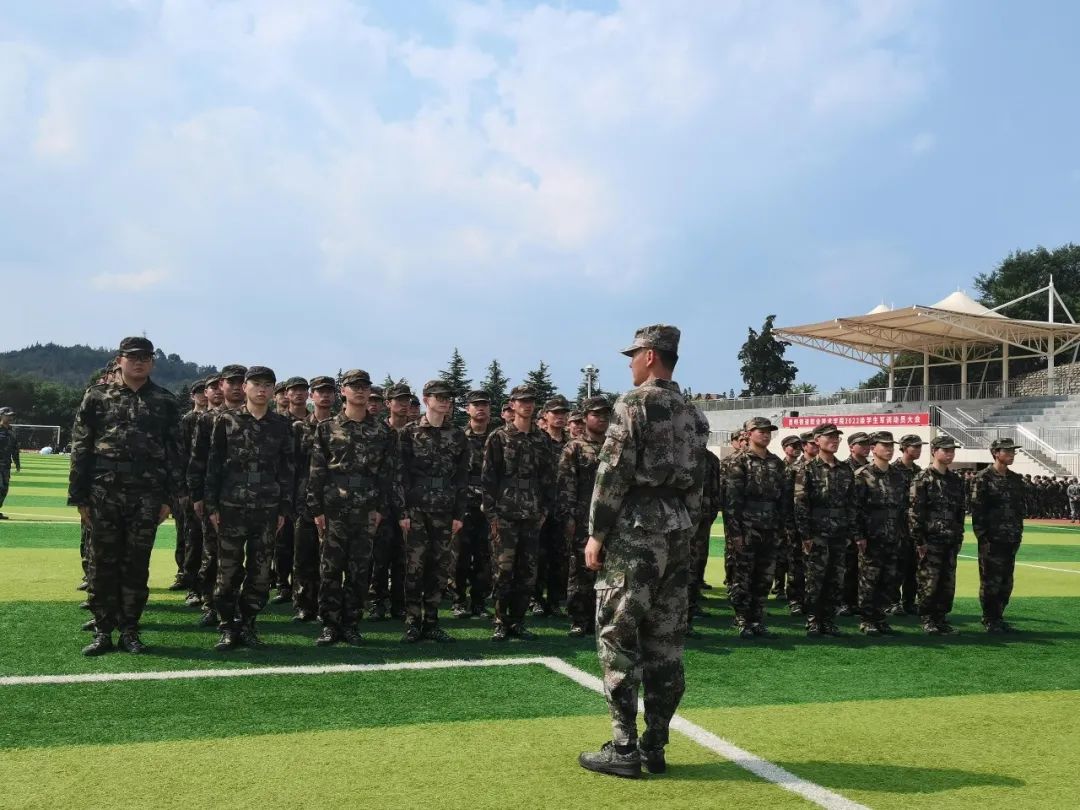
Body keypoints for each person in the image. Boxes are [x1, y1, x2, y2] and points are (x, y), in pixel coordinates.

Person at [579, 324, 709, 779]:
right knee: (666, 643)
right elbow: (698, 484)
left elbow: (613, 472)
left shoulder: (633, 404)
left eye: (634, 355)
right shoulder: (694, 414)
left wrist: (597, 533)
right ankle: (655, 745)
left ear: (650, 355)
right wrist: (686, 531)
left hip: (636, 531)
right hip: (677, 531)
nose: (631, 363)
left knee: (617, 635)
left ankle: (623, 748)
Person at [68, 337, 182, 656]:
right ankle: (103, 630)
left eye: (145, 357)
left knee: (136, 564)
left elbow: (175, 453)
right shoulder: (97, 395)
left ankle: (130, 629)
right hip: (104, 491)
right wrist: (79, 497)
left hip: (147, 494)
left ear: (153, 362)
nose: (139, 362)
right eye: (133, 357)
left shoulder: (165, 401)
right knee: (102, 563)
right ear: (120, 360)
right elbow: (81, 446)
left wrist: (169, 499)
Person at [204, 366, 295, 651]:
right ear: (245, 387)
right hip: (231, 506)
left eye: (268, 385)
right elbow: (213, 465)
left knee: (260, 573)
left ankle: (248, 624)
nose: (262, 389)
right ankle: (227, 625)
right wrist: (211, 505)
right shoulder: (226, 420)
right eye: (256, 384)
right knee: (227, 572)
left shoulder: (281, 425)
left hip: (267, 508)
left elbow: (287, 470)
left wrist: (284, 510)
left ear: (273, 390)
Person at [309, 369, 402, 646]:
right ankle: (329, 624)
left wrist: (380, 509)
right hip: (334, 508)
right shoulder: (326, 428)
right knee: (330, 569)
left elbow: (387, 475)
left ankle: (351, 623)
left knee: (360, 570)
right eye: (354, 386)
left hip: (367, 509)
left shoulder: (383, 431)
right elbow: (317, 471)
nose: (360, 390)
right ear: (343, 391)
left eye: (364, 386)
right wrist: (316, 510)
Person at [481, 384, 555, 641]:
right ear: (512, 404)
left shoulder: (542, 439)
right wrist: (492, 515)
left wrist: (544, 510)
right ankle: (500, 621)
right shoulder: (499, 437)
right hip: (505, 514)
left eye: (531, 401)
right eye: (522, 401)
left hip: (532, 515)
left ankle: (518, 621)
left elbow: (548, 478)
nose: (527, 405)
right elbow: (488, 478)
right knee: (503, 571)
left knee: (527, 572)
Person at [397, 380, 468, 642]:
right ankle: (412, 623)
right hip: (416, 509)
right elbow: (400, 474)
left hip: (445, 510)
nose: (445, 402)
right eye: (439, 397)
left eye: (448, 398)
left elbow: (462, 477)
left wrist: (459, 515)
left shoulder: (457, 435)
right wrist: (403, 511)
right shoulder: (409, 432)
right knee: (414, 567)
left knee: (439, 568)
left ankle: (432, 622)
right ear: (426, 399)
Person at [189, 365, 247, 628]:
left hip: (249, 499)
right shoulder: (208, 419)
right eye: (231, 382)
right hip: (216, 498)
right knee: (213, 554)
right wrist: (197, 496)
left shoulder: (256, 417)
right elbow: (197, 461)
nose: (236, 387)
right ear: (222, 385)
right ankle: (210, 603)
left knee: (243, 557)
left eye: (240, 382)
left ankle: (238, 606)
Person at [725, 416, 786, 639]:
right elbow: (732, 500)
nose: (766, 434)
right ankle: (742, 619)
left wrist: (781, 528)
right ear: (749, 434)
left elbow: (783, 499)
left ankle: (757, 619)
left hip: (770, 526)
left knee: (764, 576)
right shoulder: (739, 461)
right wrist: (735, 533)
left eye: (768, 431)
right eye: (761, 431)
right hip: (747, 526)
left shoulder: (776, 462)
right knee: (743, 576)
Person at [794, 423, 855, 638]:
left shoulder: (845, 469)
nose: (834, 441)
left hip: (839, 533)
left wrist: (850, 533)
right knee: (815, 579)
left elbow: (851, 504)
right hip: (817, 533)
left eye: (837, 437)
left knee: (835, 579)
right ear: (817, 440)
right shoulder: (807, 469)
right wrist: (805, 535)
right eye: (829, 437)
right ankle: (813, 620)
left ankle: (828, 620)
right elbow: (801, 504)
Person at [557, 395, 610, 637]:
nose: (601, 419)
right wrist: (568, 517)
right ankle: (579, 619)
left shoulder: (615, 446)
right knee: (581, 571)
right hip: (582, 519)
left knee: (608, 570)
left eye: (605, 414)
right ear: (585, 417)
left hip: (611, 519)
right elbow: (565, 485)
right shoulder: (574, 447)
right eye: (596, 414)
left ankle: (604, 618)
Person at [291, 375, 337, 622]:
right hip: (304, 499)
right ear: (312, 396)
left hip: (333, 500)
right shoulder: (299, 428)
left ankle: (325, 604)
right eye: (320, 391)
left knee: (329, 558)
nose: (325, 396)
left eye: (329, 391)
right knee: (304, 555)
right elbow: (291, 465)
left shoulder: (339, 427)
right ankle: (303, 604)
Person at [909, 435, 966, 635]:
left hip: (950, 539)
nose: (950, 454)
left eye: (952, 450)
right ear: (934, 451)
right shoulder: (923, 478)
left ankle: (941, 618)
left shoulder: (955, 480)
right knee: (929, 581)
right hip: (930, 540)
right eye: (945, 450)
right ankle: (928, 619)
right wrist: (919, 540)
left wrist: (959, 536)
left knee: (947, 582)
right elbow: (915, 512)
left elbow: (960, 511)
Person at [851, 431, 906, 636]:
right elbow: (855, 508)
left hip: (893, 535)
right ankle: (867, 620)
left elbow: (903, 507)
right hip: (871, 537)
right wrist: (859, 535)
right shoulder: (862, 475)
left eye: (891, 446)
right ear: (873, 448)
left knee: (889, 579)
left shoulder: (897, 475)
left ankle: (880, 617)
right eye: (885, 446)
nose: (889, 449)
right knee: (869, 579)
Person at [970, 438, 1026, 633]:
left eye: (1013, 451)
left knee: (1006, 582)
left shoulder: (1015, 479)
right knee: (990, 581)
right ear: (995, 453)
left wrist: (1018, 533)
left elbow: (1019, 509)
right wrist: (983, 537)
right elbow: (977, 510)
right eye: (1007, 451)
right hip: (991, 540)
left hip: (1011, 538)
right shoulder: (983, 478)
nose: (1011, 454)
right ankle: (989, 618)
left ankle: (998, 616)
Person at [369, 383, 412, 620]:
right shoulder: (378, 431)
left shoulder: (416, 432)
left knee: (403, 556)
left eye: (407, 400)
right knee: (379, 556)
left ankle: (399, 603)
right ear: (388, 403)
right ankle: (377, 602)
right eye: (398, 400)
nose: (404, 404)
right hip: (382, 503)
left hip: (409, 502)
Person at [453, 390, 495, 619]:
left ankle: (479, 602)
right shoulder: (458, 437)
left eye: (484, 405)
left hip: (489, 504)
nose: (481, 409)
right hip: (464, 504)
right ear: (467, 409)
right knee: (460, 555)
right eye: (476, 405)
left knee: (484, 556)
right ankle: (459, 600)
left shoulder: (498, 437)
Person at [269, 376, 310, 605]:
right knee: (282, 542)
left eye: (303, 390)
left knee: (305, 544)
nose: (298, 394)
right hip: (283, 489)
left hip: (307, 489)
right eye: (294, 390)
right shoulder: (277, 422)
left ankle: (302, 586)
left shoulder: (317, 422)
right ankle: (283, 584)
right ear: (286, 394)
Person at [535, 394, 572, 617]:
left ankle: (555, 600)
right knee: (538, 556)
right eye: (555, 412)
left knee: (560, 557)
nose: (560, 416)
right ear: (545, 415)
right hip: (539, 507)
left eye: (563, 412)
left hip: (563, 507)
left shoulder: (572, 444)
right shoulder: (536, 441)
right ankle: (537, 599)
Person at [171, 378, 209, 595]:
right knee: (186, 533)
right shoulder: (187, 420)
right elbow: (181, 456)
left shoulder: (216, 418)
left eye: (205, 390)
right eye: (199, 392)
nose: (203, 395)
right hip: (188, 486)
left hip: (207, 486)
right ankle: (184, 573)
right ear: (192, 396)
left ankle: (200, 580)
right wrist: (182, 489)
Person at [887, 434, 923, 616]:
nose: (918, 450)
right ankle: (893, 602)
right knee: (896, 566)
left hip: (914, 526)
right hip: (897, 526)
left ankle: (909, 601)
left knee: (914, 567)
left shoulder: (919, 471)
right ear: (904, 447)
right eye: (914, 446)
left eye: (919, 447)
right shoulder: (892, 470)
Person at [839, 431, 871, 615]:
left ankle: (861, 601)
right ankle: (845, 601)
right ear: (851, 446)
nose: (866, 447)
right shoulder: (844, 468)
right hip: (847, 524)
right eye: (862, 444)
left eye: (868, 444)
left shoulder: (872, 468)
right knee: (848, 566)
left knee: (866, 568)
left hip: (868, 524)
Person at [771, 434, 802, 600]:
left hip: (796, 516)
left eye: (799, 446)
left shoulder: (802, 468)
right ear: (785, 448)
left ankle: (792, 588)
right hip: (780, 517)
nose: (797, 449)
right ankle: (779, 587)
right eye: (793, 446)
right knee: (780, 554)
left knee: (794, 555)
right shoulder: (778, 467)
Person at [0, 406, 21, 520]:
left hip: (5, 465)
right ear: (1, 416)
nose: (10, 418)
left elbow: (15, 449)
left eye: (11, 416)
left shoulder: (12, 432)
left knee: (4, 489)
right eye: (8, 415)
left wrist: (17, 463)